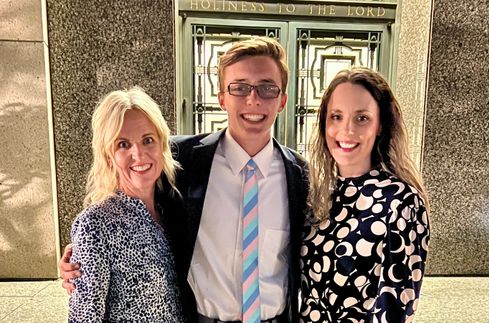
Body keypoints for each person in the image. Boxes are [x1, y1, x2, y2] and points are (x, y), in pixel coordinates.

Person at [60, 37, 309, 323]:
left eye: (267, 87)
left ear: (283, 100)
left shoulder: (301, 176)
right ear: (221, 98)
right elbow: (128, 194)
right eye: (239, 87)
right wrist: (82, 254)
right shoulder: (182, 160)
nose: (253, 98)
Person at [300, 67, 430, 322]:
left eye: (362, 118)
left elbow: (394, 308)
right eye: (336, 116)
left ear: (381, 125)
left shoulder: (401, 202)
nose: (347, 130)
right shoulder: (317, 194)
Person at [66, 87, 184, 322]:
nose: (139, 154)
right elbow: (84, 317)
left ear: (162, 144)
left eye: (147, 140)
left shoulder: (172, 208)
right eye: (123, 144)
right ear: (108, 154)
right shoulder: (95, 224)